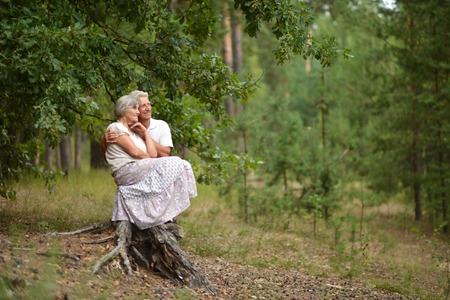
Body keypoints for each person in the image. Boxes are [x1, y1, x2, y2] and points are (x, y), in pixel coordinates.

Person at [105, 95, 197, 229]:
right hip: (126, 170)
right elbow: (135, 153)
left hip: (137, 167)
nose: (138, 111)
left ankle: (161, 213)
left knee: (183, 165)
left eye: (139, 107)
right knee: (175, 162)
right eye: (135, 108)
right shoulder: (116, 127)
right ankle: (155, 214)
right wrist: (150, 158)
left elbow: (153, 154)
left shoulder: (134, 131)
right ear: (124, 110)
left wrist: (144, 133)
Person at [102, 90, 173, 158]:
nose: (148, 108)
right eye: (143, 106)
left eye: (149, 104)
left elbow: (165, 154)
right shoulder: (123, 128)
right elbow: (109, 156)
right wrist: (104, 142)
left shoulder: (161, 125)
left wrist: (144, 135)